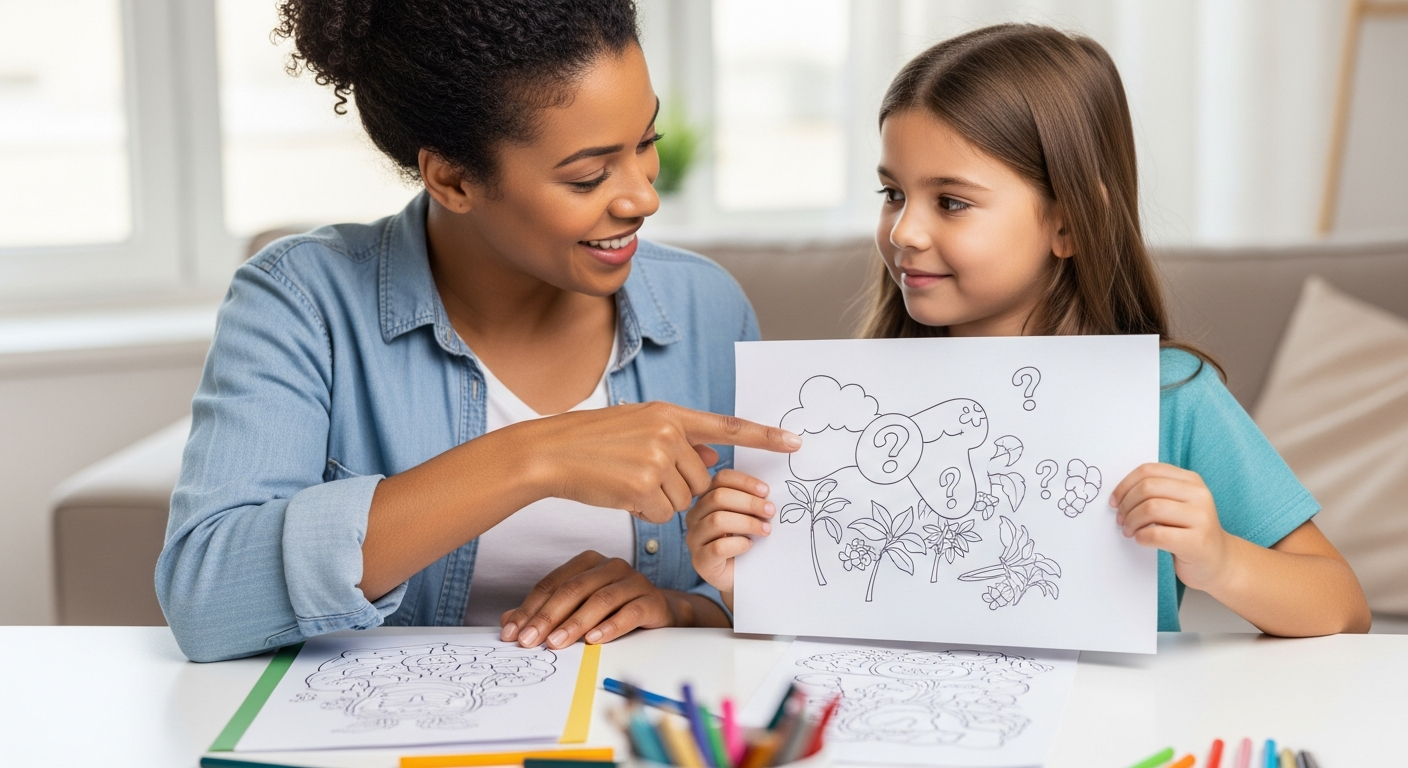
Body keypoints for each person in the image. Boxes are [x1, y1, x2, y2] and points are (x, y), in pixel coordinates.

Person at [156, 0, 799, 663]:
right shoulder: (301, 303)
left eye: (647, 144)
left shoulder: (707, 308)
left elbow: (760, 584)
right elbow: (206, 601)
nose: (642, 197)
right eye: (587, 175)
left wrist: (679, 607)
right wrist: (534, 458)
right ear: (453, 178)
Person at [687, 24, 1371, 636]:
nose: (904, 231)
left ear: (1068, 223)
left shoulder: (1170, 397)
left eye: (951, 202)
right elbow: (847, 601)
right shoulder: (865, 408)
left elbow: (1341, 606)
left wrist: (1218, 559)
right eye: (893, 193)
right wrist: (737, 577)